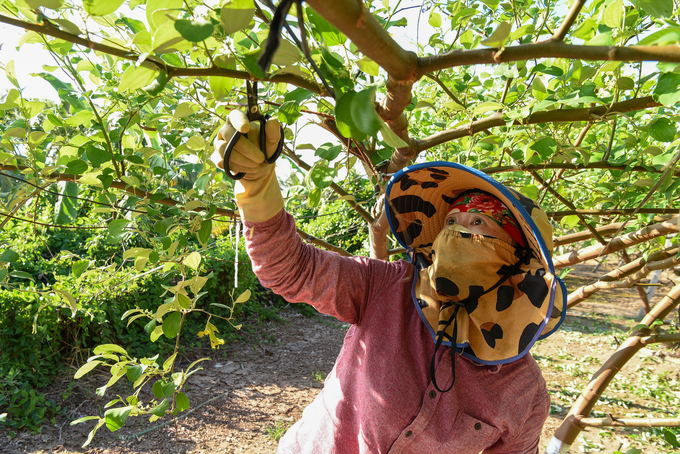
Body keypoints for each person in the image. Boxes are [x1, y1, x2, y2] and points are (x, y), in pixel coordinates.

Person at [213, 111, 566, 453]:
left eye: (478, 224)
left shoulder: (523, 392)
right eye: (451, 223)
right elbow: (289, 269)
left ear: (517, 255)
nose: (458, 231)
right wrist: (256, 184)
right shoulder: (387, 286)